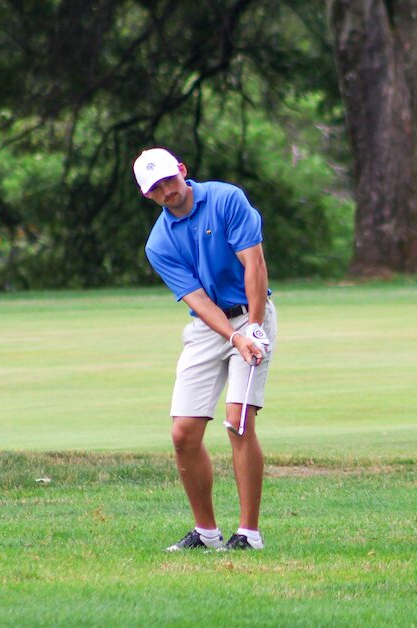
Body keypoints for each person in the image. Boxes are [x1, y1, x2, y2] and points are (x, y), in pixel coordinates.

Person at [133, 147, 276, 552]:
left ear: (182, 171)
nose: (166, 191)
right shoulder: (158, 243)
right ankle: (207, 533)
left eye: (168, 180)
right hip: (208, 327)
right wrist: (233, 337)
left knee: (238, 421)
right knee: (183, 434)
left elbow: (255, 264)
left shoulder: (226, 198)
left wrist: (253, 326)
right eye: (155, 188)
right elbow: (196, 299)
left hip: (252, 313)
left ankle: (248, 534)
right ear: (148, 195)